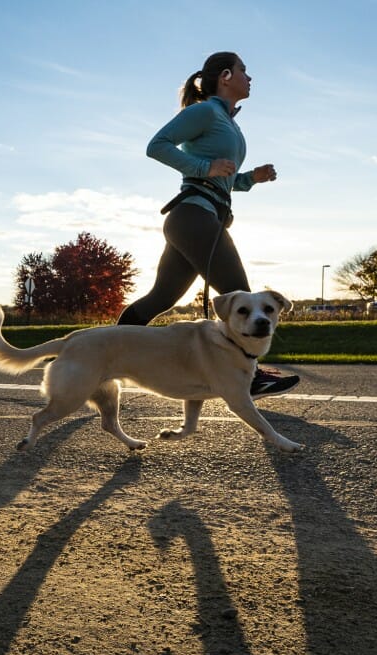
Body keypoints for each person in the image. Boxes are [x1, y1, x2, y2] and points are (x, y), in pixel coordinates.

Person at [117, 51, 299, 398]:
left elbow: (223, 178)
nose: (250, 77)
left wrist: (250, 179)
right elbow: (156, 146)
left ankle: (107, 352)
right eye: (245, 70)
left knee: (161, 298)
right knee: (240, 295)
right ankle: (251, 375)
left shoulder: (231, 123)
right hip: (193, 216)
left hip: (200, 217)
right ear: (226, 76)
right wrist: (204, 168)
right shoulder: (204, 111)